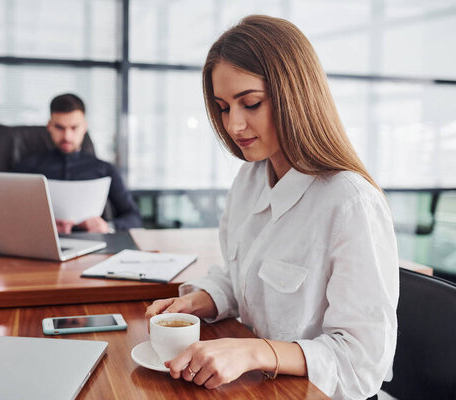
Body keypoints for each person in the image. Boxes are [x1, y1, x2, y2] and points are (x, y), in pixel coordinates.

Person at [145, 15, 398, 400]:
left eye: (250, 103)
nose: (234, 125)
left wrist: (254, 351)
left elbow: (361, 365)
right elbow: (240, 276)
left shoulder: (351, 203)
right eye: (224, 107)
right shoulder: (249, 180)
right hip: (260, 387)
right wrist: (202, 300)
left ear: (295, 95)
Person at [13, 93, 142, 233]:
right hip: (41, 241)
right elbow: (8, 212)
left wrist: (108, 226)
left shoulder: (105, 170)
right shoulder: (27, 167)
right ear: (49, 126)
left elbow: (134, 217)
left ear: (84, 127)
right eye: (59, 128)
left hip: (93, 244)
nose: (67, 136)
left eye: (74, 128)